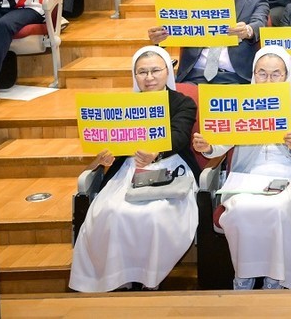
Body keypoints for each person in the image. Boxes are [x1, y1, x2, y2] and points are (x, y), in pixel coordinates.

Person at [68, 45, 198, 292]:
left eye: (155, 71)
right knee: (111, 213)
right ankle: (118, 279)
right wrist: (103, 157)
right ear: (134, 75)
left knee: (155, 214)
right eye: (142, 72)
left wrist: (156, 152)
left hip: (170, 165)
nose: (149, 78)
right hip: (128, 168)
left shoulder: (182, 102)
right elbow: (111, 143)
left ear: (167, 72)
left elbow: (180, 136)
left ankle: (149, 279)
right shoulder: (122, 105)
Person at [192, 47, 291, 290]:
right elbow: (221, 142)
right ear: (253, 74)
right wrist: (208, 146)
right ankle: (244, 276)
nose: (268, 80)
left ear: (286, 76)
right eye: (262, 73)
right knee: (241, 209)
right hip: (249, 175)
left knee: (280, 207)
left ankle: (275, 279)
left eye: (275, 74)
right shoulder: (242, 102)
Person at [148, 0, 268, 85]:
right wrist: (159, 40)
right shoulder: (192, 4)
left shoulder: (256, 0)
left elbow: (259, 23)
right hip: (194, 77)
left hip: (235, 77)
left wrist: (247, 30)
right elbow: (173, 34)